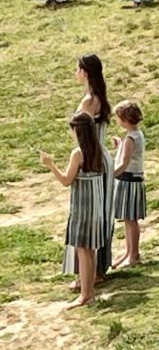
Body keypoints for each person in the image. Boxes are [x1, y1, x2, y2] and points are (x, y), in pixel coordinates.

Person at [41, 112, 106, 309]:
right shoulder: (99, 150)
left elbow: (66, 181)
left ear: (77, 130)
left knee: (82, 250)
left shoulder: (78, 153)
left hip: (82, 208)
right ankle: (90, 291)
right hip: (96, 206)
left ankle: (86, 295)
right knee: (90, 250)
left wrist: (50, 164)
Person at [63, 54, 113, 284]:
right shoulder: (100, 96)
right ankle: (97, 269)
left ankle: (90, 275)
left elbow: (82, 133)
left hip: (92, 160)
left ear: (84, 72)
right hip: (103, 158)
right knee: (102, 214)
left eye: (77, 68)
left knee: (88, 217)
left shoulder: (88, 101)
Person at [110, 100, 146, 269]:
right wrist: (120, 145)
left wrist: (109, 176)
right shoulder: (136, 135)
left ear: (125, 120)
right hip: (133, 179)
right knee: (129, 218)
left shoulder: (131, 138)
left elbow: (123, 163)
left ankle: (133, 254)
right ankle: (129, 252)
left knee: (130, 219)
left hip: (129, 180)